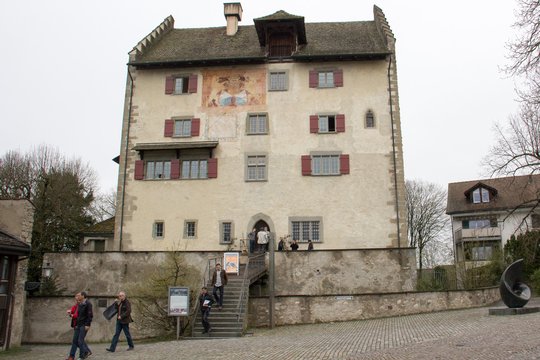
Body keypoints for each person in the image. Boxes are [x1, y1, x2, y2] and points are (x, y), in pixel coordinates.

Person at [76, 291, 93, 359]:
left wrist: (87, 325)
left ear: (83, 296)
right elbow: (79, 315)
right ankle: (87, 351)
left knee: (80, 340)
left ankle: (82, 356)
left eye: (79, 295)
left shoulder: (88, 303)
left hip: (84, 325)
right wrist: (77, 324)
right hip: (79, 324)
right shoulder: (80, 303)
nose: (78, 297)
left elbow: (90, 315)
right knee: (77, 340)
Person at [66, 292, 81, 360]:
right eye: (76, 297)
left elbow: (78, 315)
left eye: (77, 297)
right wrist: (70, 312)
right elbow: (73, 309)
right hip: (76, 324)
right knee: (79, 341)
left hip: (79, 325)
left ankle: (71, 356)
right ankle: (86, 351)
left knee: (75, 341)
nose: (76, 299)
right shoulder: (76, 305)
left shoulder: (82, 305)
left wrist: (72, 315)